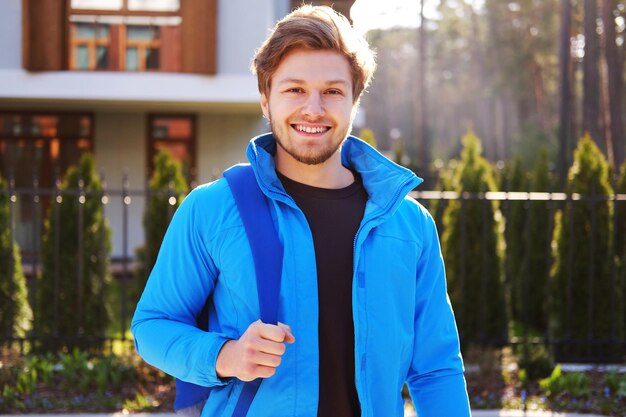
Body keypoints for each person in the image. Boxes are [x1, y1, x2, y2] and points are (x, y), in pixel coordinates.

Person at [131, 5, 471, 417]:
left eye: (332, 91)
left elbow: (436, 368)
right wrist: (227, 355)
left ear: (353, 101)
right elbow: (152, 326)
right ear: (265, 99)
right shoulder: (211, 208)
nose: (313, 108)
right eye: (294, 89)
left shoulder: (410, 224)